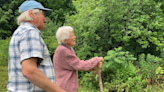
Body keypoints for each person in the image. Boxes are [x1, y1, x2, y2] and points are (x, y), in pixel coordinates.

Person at [7, 0, 65, 92]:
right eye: (43, 15)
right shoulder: (30, 32)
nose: (45, 19)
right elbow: (29, 71)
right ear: (31, 13)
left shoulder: (20, 31)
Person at [53, 26, 104, 92]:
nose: (75, 37)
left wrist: (94, 67)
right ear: (66, 40)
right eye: (72, 36)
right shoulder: (64, 51)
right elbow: (80, 65)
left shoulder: (67, 48)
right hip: (65, 88)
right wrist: (97, 59)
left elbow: (74, 66)